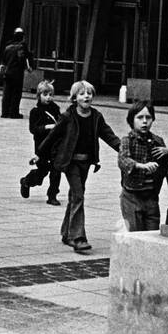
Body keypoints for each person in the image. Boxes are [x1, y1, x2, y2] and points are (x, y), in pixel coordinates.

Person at [37, 80, 120, 253]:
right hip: (70, 162)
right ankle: (78, 237)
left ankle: (66, 232)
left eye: (89, 93)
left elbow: (109, 135)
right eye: (82, 94)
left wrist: (124, 149)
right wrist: (39, 154)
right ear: (74, 98)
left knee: (75, 196)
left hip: (86, 162)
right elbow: (53, 136)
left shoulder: (96, 116)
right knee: (79, 195)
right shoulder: (68, 116)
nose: (86, 96)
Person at [117, 99, 168, 232]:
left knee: (152, 232)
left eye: (148, 117)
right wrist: (141, 166)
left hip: (151, 196)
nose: (145, 121)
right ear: (132, 120)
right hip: (132, 196)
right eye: (140, 117)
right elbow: (123, 160)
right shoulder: (127, 140)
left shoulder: (157, 141)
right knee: (135, 232)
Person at [21, 80, 63, 204]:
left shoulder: (55, 108)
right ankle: (27, 181)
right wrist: (46, 127)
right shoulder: (35, 111)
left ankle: (52, 195)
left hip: (55, 146)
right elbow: (33, 129)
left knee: (56, 171)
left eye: (51, 95)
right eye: (45, 95)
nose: (48, 97)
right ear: (39, 95)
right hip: (42, 147)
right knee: (42, 171)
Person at [0, 27, 35, 119]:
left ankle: (5, 112)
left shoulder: (7, 47)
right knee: (16, 93)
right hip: (17, 73)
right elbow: (24, 58)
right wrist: (29, 67)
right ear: (22, 37)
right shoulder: (22, 47)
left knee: (6, 93)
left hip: (7, 73)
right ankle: (14, 113)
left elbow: (3, 61)